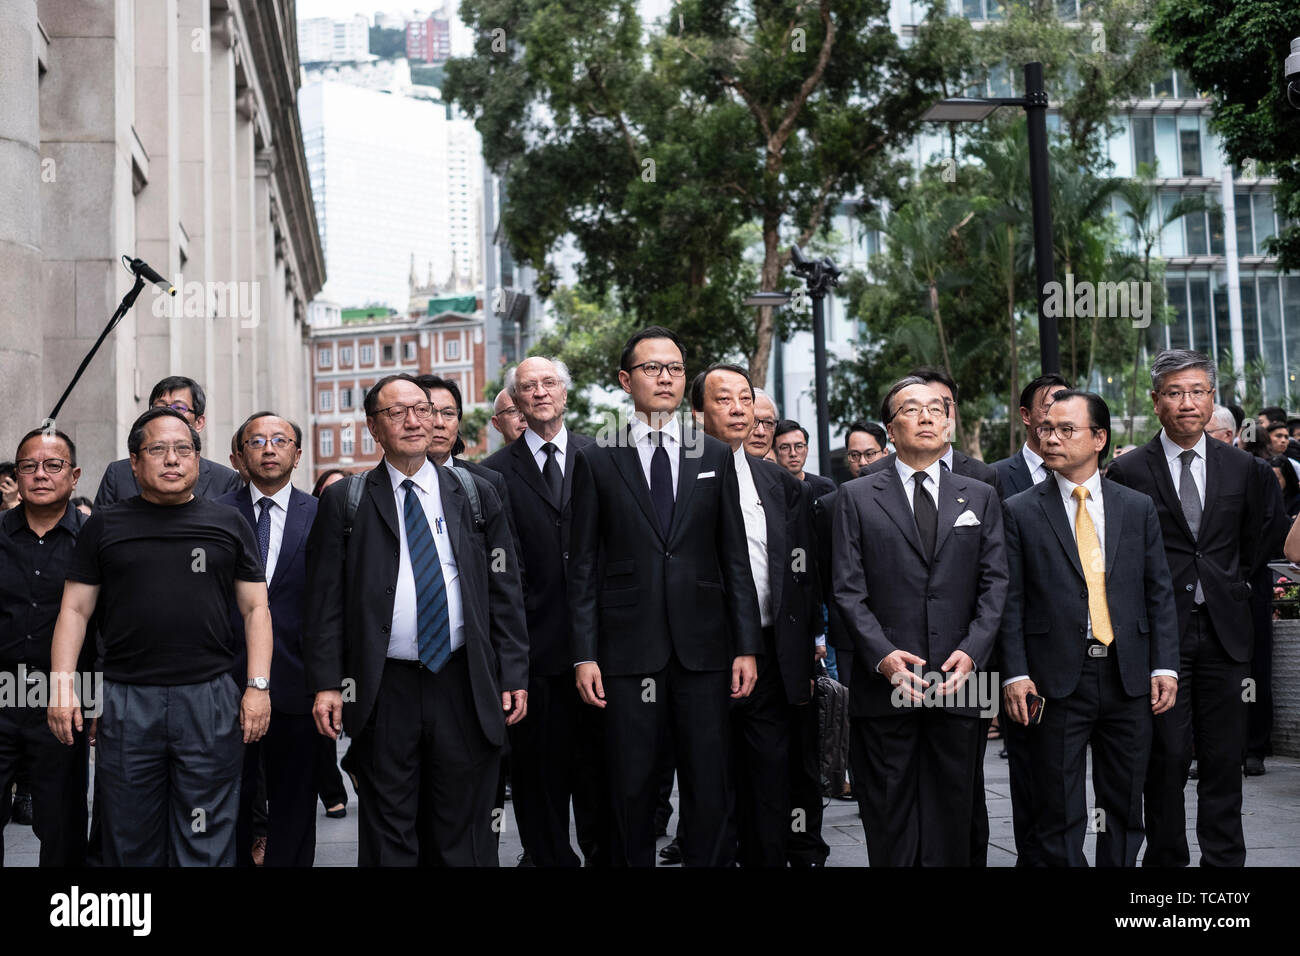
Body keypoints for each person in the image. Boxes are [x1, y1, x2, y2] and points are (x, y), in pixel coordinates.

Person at [303, 374, 529, 866]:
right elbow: (324, 604)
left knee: (463, 829)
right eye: (396, 412)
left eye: (422, 410)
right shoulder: (348, 501)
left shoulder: (474, 492)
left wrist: (512, 673)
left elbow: (504, 591)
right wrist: (326, 684)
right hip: (384, 687)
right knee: (389, 830)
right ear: (373, 428)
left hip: (462, 680)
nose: (413, 420)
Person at [568, 326, 761, 867]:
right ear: (626, 380)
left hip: (705, 650)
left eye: (675, 368)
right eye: (652, 368)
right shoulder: (597, 456)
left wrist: (746, 646)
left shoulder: (715, 455)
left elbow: (734, 558)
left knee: (709, 782)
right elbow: (582, 564)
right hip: (626, 652)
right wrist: (584, 653)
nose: (666, 377)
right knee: (629, 786)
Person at [48, 407, 272, 866]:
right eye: (157, 449)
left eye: (183, 449)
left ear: (197, 458)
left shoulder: (228, 523)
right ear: (134, 462)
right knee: (128, 834)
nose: (172, 459)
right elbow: (74, 608)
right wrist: (62, 686)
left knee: (206, 829)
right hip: (128, 699)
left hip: (209, 699)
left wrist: (258, 686)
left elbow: (255, 609)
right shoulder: (104, 526)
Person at [1107, 349, 1288, 867]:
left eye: (1197, 392)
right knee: (1164, 757)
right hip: (1157, 637)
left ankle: (1224, 862)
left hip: (1225, 633)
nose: (1187, 402)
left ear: (1212, 399)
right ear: (1155, 400)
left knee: (1224, 757)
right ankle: (1166, 861)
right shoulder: (1126, 471)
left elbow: (1256, 545)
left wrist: (1227, 588)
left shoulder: (1246, 469)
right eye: (1174, 392)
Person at [832, 375, 1008, 866]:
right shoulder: (858, 496)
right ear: (891, 429)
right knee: (889, 809)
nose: (927, 416)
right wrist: (883, 657)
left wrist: (973, 652)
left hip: (964, 676)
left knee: (956, 806)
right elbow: (847, 589)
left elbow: (996, 585)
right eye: (912, 409)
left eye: (937, 408)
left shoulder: (980, 493)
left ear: (950, 422)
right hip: (888, 677)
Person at [998, 390, 1179, 866]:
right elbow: (1009, 600)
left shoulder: (1136, 507)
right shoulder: (1018, 509)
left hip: (1129, 675)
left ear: (1099, 438)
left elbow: (1158, 591)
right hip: (1055, 680)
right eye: (1044, 429)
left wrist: (1165, 666)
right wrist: (1015, 674)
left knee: (1124, 806)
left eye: (1065, 430)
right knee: (1057, 807)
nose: (1050, 438)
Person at [691, 363, 826, 867]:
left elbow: (801, 572)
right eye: (723, 399)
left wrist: (808, 643)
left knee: (771, 776)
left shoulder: (780, 482)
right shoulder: (679, 476)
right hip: (703, 652)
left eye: (745, 399)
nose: (738, 408)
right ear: (698, 410)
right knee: (710, 779)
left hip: (772, 652)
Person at [480, 356, 606, 868]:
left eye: (549, 383)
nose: (539, 393)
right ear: (516, 401)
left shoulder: (600, 457)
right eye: (528, 387)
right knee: (538, 781)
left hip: (600, 651)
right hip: (530, 655)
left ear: (565, 393)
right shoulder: (491, 475)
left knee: (603, 779)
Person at [216, 412, 320, 867]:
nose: (269, 449)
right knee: (230, 798)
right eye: (256, 441)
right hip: (225, 682)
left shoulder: (322, 514)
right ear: (238, 456)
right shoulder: (215, 514)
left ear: (297, 454)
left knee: (295, 800)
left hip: (300, 681)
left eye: (281, 440)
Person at [988, 372, 1070, 866]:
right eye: (1048, 405)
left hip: (1085, 649)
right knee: (1029, 765)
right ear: (1026, 416)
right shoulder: (996, 478)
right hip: (1024, 648)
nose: (1057, 413)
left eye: (1067, 401)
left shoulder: (1096, 473)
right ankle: (1033, 856)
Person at [0, 428, 92, 866]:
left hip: (63, 700)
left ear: (73, 476)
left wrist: (97, 702)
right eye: (28, 466)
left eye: (53, 465)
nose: (40, 475)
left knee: (62, 823)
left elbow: (108, 626)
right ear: (16, 476)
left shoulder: (95, 540)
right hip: (0, 693)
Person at [94, 376, 243, 508]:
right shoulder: (118, 473)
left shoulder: (225, 480)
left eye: (179, 407)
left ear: (199, 422)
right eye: (159, 407)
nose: (168, 413)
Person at [308, 468, 350, 819]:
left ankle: (354, 762)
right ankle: (332, 789)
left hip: (363, 642)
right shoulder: (312, 525)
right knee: (323, 725)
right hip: (324, 641)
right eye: (328, 492)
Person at [991, 374, 1072, 498]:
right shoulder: (995, 476)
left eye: (1066, 410)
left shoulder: (1080, 471)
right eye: (1050, 409)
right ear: (1026, 415)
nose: (1059, 418)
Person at [774, 420, 835, 498]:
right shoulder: (766, 488)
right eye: (785, 447)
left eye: (799, 446)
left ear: (806, 449)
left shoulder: (825, 488)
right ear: (774, 451)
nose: (793, 453)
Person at [745, 389, 779, 460]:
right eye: (753, 421)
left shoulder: (777, 471)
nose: (761, 432)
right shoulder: (720, 469)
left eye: (768, 423)